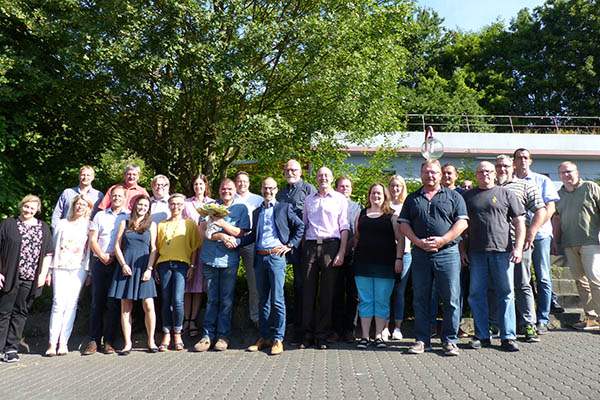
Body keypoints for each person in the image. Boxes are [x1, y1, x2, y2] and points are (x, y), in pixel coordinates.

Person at [398, 160, 468, 356]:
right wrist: (418, 243)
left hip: (448, 253)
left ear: (440, 175)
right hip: (420, 255)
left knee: (451, 299)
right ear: (421, 174)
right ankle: (422, 340)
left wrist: (443, 240)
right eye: (427, 172)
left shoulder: (454, 197)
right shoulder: (412, 199)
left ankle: (449, 341)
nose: (431, 176)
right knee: (420, 298)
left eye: (434, 172)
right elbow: (404, 226)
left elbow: (462, 223)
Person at [464, 161, 525, 352]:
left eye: (488, 171)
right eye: (481, 171)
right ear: (476, 174)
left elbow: (519, 222)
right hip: (476, 253)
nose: (485, 174)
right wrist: (461, 251)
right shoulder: (468, 196)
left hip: (503, 252)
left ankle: (508, 337)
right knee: (476, 295)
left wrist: (518, 248)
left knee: (506, 293)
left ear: (494, 173)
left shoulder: (506, 193)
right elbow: (461, 227)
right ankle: (482, 336)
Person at [244, 177, 304, 355]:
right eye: (265, 188)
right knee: (263, 300)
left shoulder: (284, 208)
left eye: (271, 188)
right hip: (260, 258)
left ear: (276, 190)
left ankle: (278, 339)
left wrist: (290, 245)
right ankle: (264, 337)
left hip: (276, 258)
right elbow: (252, 235)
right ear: (261, 189)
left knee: (277, 300)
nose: (267, 191)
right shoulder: (256, 212)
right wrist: (235, 240)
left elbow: (299, 227)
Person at [193, 179, 250, 352]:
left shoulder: (241, 208)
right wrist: (223, 237)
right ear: (219, 190)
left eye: (230, 188)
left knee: (226, 300)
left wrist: (223, 224)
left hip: (229, 261)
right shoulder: (208, 207)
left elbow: (241, 233)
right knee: (211, 300)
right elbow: (203, 232)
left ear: (235, 191)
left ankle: (223, 336)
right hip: (210, 259)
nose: (226, 191)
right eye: (223, 188)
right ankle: (207, 336)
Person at [495, 154, 546, 342]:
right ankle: (497, 323)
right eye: (499, 166)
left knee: (523, 284)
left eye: (506, 166)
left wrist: (530, 234)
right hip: (494, 246)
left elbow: (541, 210)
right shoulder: (490, 186)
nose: (502, 170)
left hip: (519, 244)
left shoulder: (525, 185)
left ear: (513, 168)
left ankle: (528, 325)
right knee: (495, 286)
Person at [514, 148, 564, 333]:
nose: (523, 161)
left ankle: (542, 318)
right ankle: (526, 319)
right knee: (523, 279)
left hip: (540, 235)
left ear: (531, 160)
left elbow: (550, 208)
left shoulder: (542, 180)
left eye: (526, 157)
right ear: (514, 161)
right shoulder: (511, 181)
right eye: (519, 158)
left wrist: (532, 231)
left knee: (543, 277)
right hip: (519, 238)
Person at [300, 167, 349, 350]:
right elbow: (304, 226)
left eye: (326, 175)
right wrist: (305, 249)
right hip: (311, 245)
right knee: (308, 291)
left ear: (332, 178)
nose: (323, 178)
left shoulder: (339, 199)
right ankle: (307, 335)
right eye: (320, 175)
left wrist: (342, 251)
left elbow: (344, 227)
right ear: (316, 178)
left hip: (331, 245)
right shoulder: (308, 200)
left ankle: (322, 336)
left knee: (327, 293)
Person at [0, 195, 53, 363]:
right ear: (21, 206)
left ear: (37, 210)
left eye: (32, 208)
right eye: (26, 207)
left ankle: (11, 349)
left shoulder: (43, 228)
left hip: (30, 278)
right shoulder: (8, 224)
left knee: (21, 313)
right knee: (3, 312)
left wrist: (43, 274)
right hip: (9, 275)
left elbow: (48, 253)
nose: (28, 211)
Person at [353, 183, 403, 349]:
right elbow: (357, 237)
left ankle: (379, 336)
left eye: (379, 193)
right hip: (363, 264)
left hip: (385, 264)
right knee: (366, 300)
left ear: (385, 195)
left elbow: (400, 239)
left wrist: (399, 259)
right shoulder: (360, 214)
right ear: (369, 195)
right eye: (373, 193)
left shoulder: (393, 217)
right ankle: (365, 337)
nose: (376, 196)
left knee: (381, 301)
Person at [552, 161, 600, 330]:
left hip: (591, 242)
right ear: (559, 176)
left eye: (569, 171)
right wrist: (554, 240)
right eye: (563, 172)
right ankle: (591, 317)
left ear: (577, 172)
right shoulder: (558, 195)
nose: (567, 175)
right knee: (580, 282)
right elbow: (556, 219)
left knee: (595, 279)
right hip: (569, 243)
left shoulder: (590, 187)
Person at [109, 195, 159, 354]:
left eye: (145, 205)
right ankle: (127, 343)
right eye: (140, 204)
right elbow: (117, 246)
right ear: (135, 206)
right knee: (126, 307)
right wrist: (123, 264)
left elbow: (154, 249)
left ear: (148, 208)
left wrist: (149, 269)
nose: (142, 207)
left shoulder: (152, 225)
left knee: (148, 305)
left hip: (144, 267)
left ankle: (151, 341)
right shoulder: (124, 223)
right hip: (126, 267)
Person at [84, 185, 130, 355]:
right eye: (114, 195)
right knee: (97, 303)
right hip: (99, 262)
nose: (117, 198)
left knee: (113, 303)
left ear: (125, 197)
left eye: (120, 195)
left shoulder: (129, 216)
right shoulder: (100, 215)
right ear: (110, 197)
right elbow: (93, 240)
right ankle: (94, 340)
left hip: (118, 263)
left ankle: (109, 341)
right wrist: (102, 255)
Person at [46, 195, 93, 357]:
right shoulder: (62, 224)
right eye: (78, 204)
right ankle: (52, 343)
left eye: (84, 205)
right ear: (73, 206)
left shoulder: (89, 226)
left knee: (71, 304)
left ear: (88, 208)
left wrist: (89, 272)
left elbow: (90, 251)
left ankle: (63, 342)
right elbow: (53, 246)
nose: (80, 207)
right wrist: (49, 270)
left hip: (79, 268)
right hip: (60, 266)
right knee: (58, 303)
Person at [276, 159, 317, 344]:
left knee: (301, 287)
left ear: (301, 172)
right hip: (282, 246)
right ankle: (282, 327)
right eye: (287, 169)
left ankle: (302, 329)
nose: (290, 172)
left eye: (294, 169)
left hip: (302, 245)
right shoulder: (281, 192)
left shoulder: (309, 189)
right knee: (280, 287)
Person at [155, 193, 201, 351]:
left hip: (182, 265)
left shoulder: (189, 224)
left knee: (178, 300)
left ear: (183, 206)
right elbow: (156, 249)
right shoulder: (161, 225)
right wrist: (154, 268)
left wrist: (192, 267)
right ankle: (166, 333)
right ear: (168, 205)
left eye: (179, 204)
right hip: (163, 265)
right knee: (166, 300)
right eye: (173, 204)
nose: (176, 207)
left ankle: (178, 332)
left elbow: (195, 247)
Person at [430, 164, 470, 338]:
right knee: (432, 291)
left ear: (456, 175)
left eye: (449, 173)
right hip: (430, 251)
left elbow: (462, 226)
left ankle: (455, 326)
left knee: (455, 292)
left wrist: (462, 252)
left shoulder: (462, 196)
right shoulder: (429, 195)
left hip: (454, 249)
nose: (446, 176)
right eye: (444, 173)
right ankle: (431, 326)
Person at [182, 174, 213, 337]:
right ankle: (185, 320)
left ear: (205, 185)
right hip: (189, 247)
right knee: (188, 286)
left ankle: (193, 320)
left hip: (206, 246)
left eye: (201, 184)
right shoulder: (186, 203)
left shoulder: (212, 203)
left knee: (200, 286)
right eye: (195, 184)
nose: (198, 187)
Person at [383, 175, 411, 341]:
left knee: (399, 292)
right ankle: (385, 326)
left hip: (406, 253)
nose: (395, 189)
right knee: (385, 291)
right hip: (387, 253)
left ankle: (398, 328)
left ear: (403, 187)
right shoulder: (385, 207)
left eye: (398, 186)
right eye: (392, 186)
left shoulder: (408, 205)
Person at [233, 171, 264, 328]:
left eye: (244, 181)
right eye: (239, 181)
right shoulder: (229, 199)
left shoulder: (258, 199)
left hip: (251, 241)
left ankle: (256, 318)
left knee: (254, 282)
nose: (242, 184)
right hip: (232, 241)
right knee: (227, 282)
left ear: (249, 183)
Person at [51, 165, 103, 230]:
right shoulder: (67, 193)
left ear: (93, 177)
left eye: (88, 175)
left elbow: (100, 217)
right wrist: (56, 230)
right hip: (66, 230)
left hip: (86, 233)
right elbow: (57, 214)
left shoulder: (98, 195)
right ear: (79, 176)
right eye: (83, 175)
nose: (85, 177)